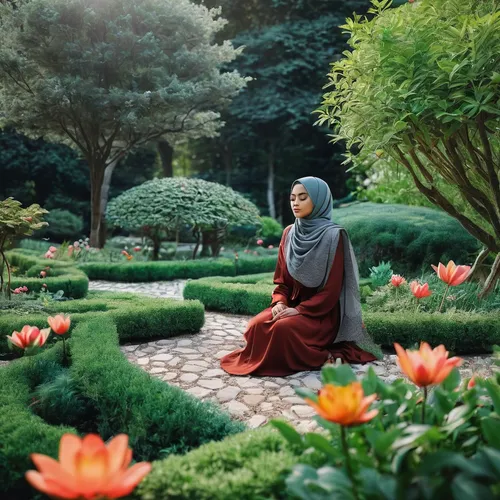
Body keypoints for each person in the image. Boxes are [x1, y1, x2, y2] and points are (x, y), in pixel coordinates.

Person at [220, 176, 377, 377]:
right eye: (293, 198)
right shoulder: (289, 233)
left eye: (303, 197)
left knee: (282, 329)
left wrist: (300, 311)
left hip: (322, 314)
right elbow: (281, 281)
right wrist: (279, 303)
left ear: (319, 200)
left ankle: (323, 357)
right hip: (292, 306)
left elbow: (331, 291)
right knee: (256, 326)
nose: (295, 203)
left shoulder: (334, 236)